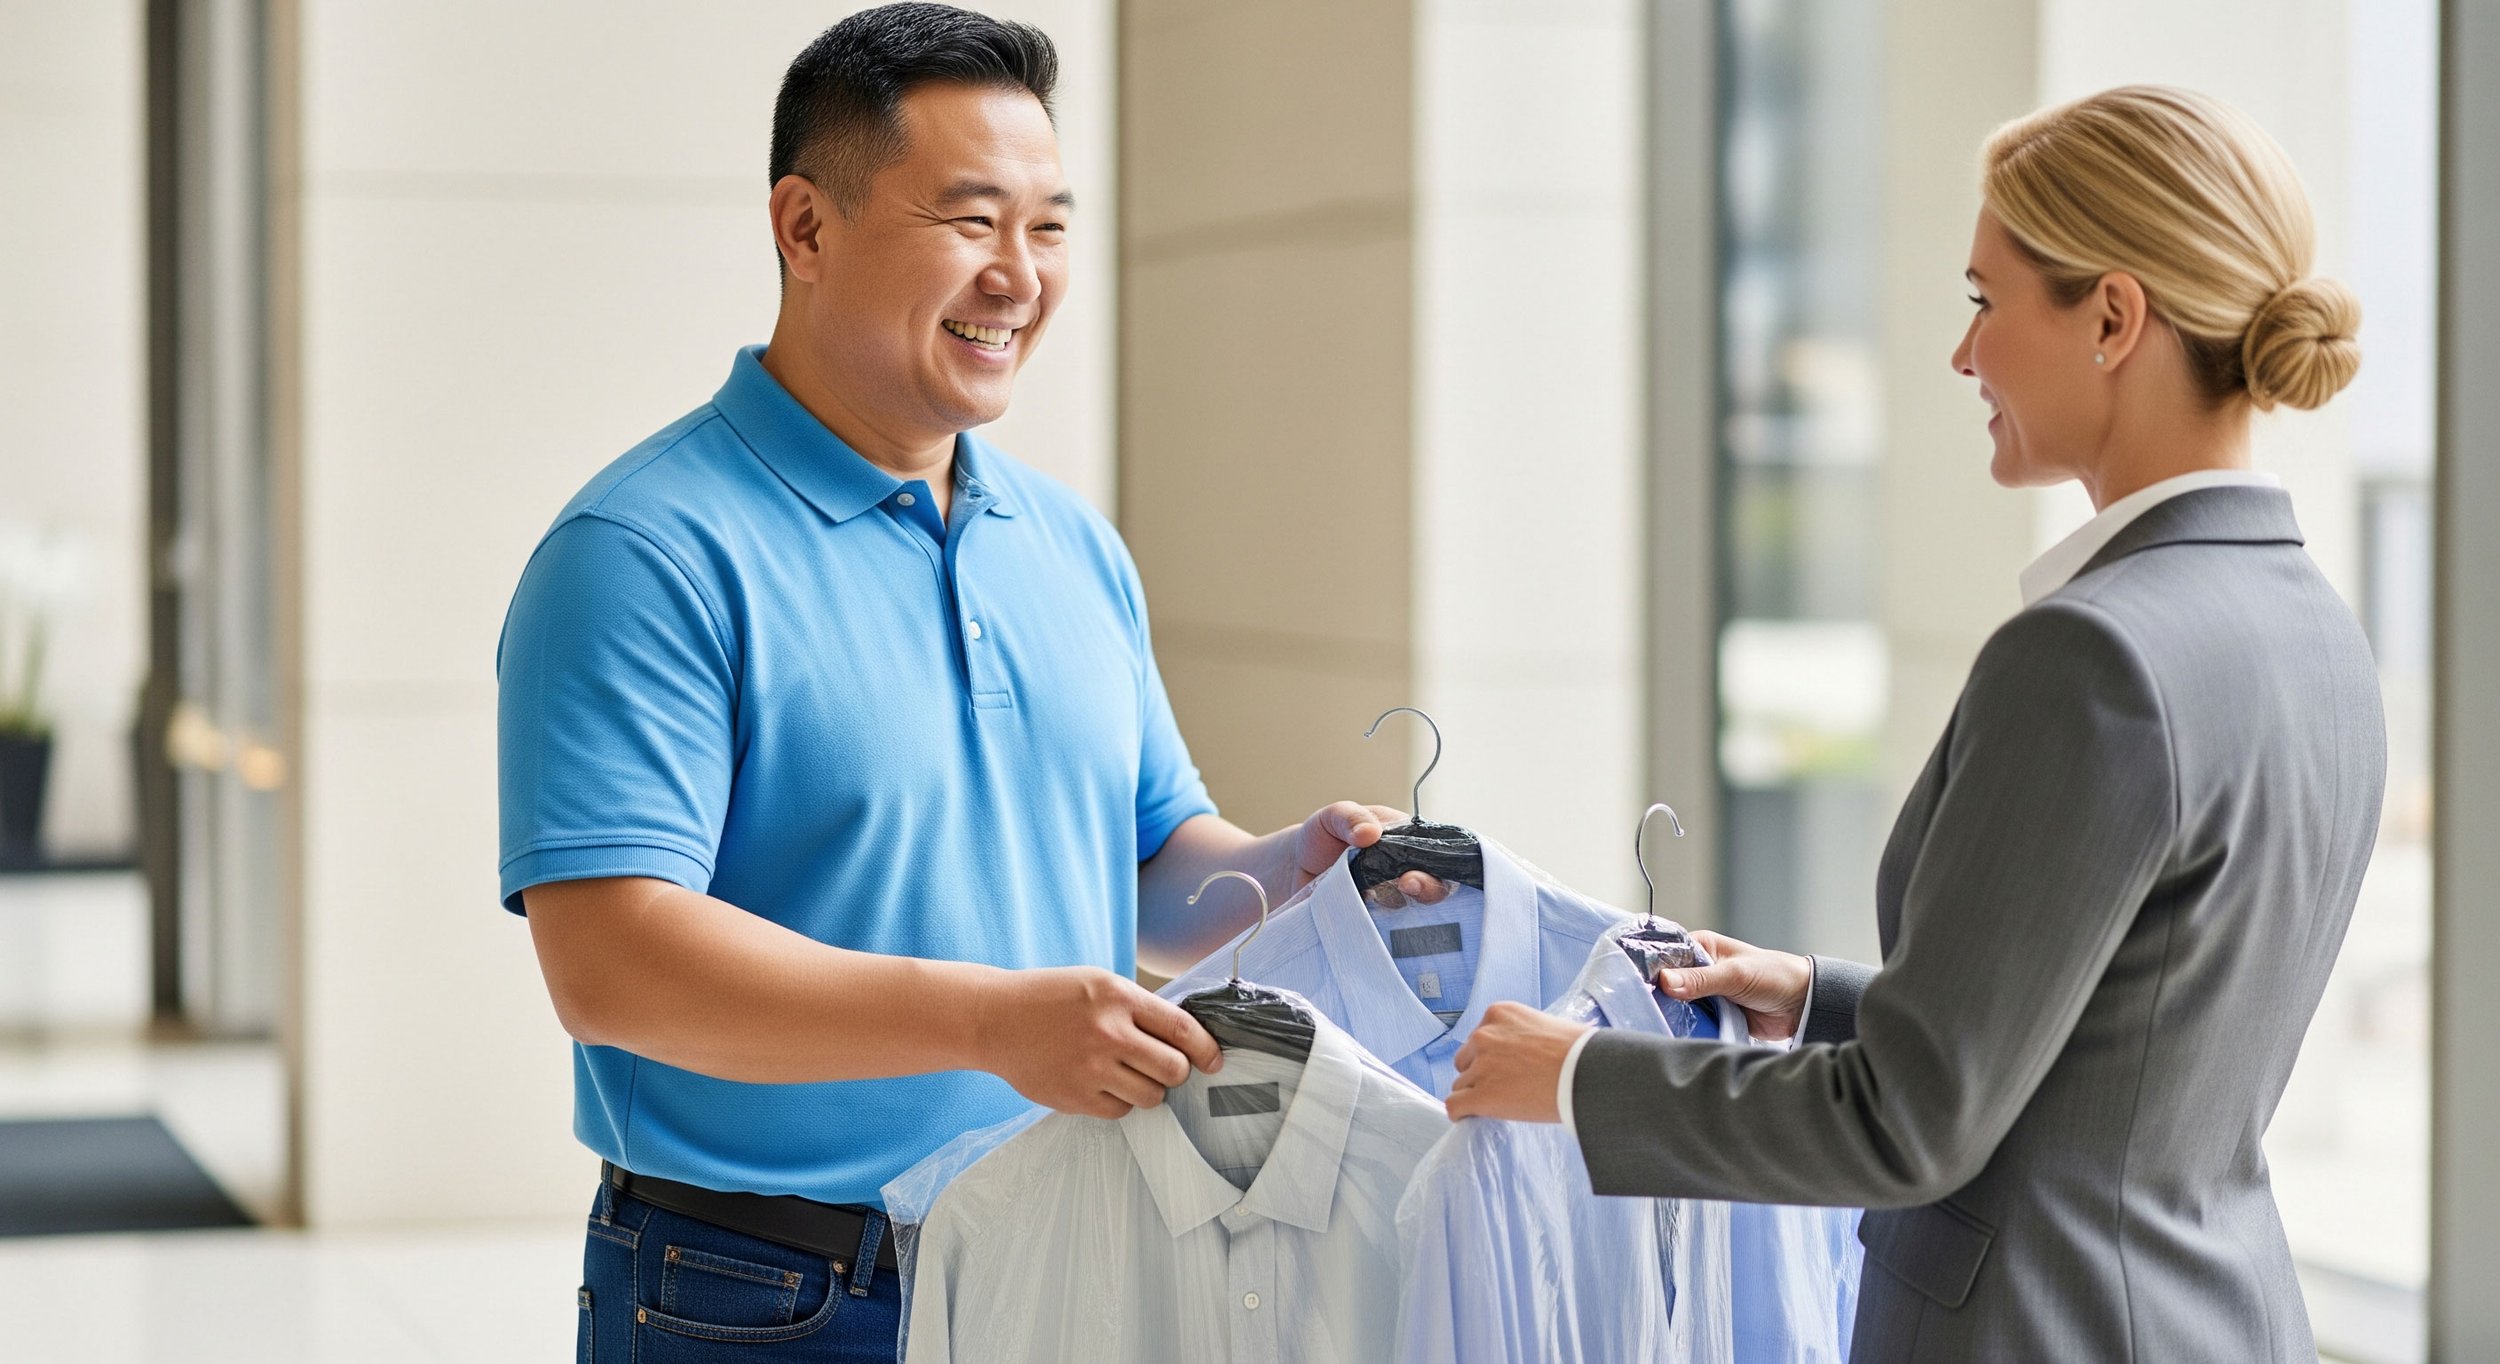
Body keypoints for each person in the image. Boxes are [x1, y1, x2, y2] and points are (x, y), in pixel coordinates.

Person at [495, 8, 1434, 1360]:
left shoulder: (1067, 546)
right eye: (972, 220)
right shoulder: (644, 553)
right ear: (804, 230)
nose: (1020, 275)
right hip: (770, 1290)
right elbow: (615, 966)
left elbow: (1148, 865)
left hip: (1073, 1251)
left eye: (1050, 228)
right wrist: (992, 1024)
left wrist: (1294, 875)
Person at [1447, 85, 2382, 1362]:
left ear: (2111, 317)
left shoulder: (2090, 657)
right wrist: (1825, 997)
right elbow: (2136, 1037)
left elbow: (1905, 1127)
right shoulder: (2317, 630)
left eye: (1983, 303)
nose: (1962, 355)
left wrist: (1567, 1075)